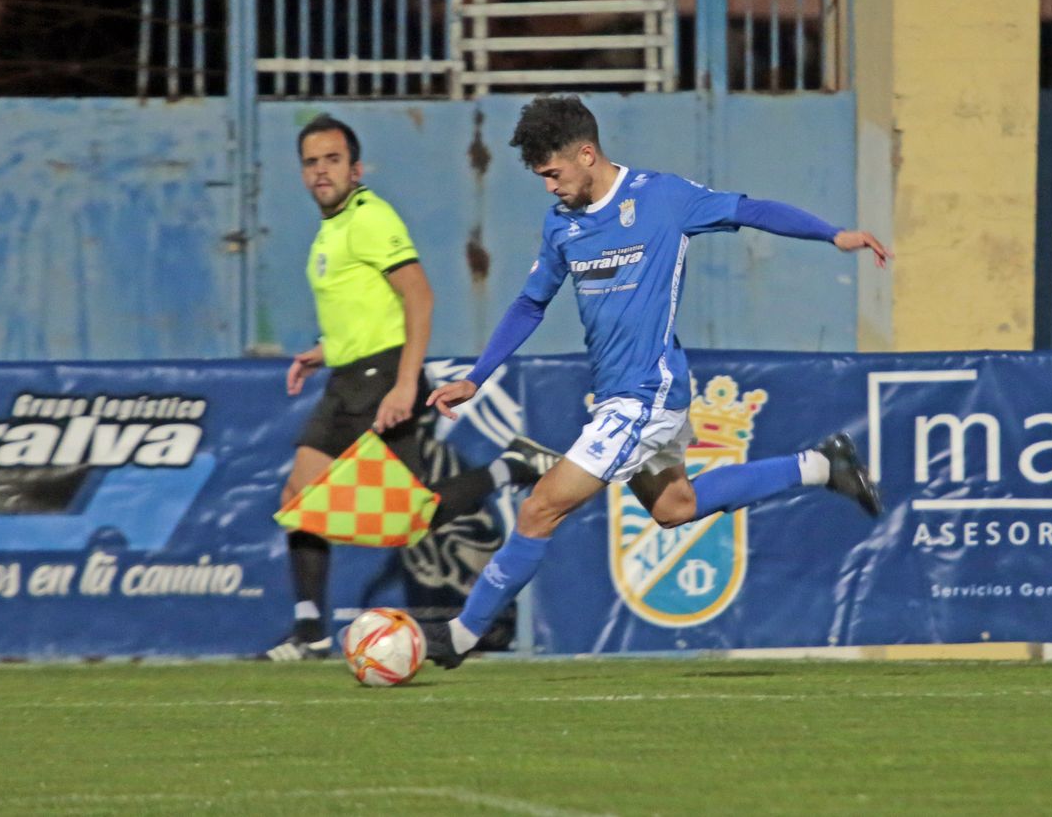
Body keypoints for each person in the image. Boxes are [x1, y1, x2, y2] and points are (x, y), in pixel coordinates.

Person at [419, 95, 891, 667]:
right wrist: (477, 377)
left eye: (553, 173)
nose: (548, 187)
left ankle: (461, 634)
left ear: (586, 155)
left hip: (647, 395)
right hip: (618, 397)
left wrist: (833, 235)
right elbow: (530, 303)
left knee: (539, 508)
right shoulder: (561, 225)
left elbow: (750, 210)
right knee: (674, 506)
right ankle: (820, 465)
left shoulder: (663, 198)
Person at [265, 114, 556, 661]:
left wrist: (404, 385)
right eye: (311, 162)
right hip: (347, 378)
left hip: (381, 378)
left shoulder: (371, 218)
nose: (321, 171)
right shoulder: (332, 228)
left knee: (408, 519)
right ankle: (310, 632)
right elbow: (363, 307)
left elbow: (419, 296)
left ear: (356, 169)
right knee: (298, 499)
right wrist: (325, 351)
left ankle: (510, 467)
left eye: (333, 160)